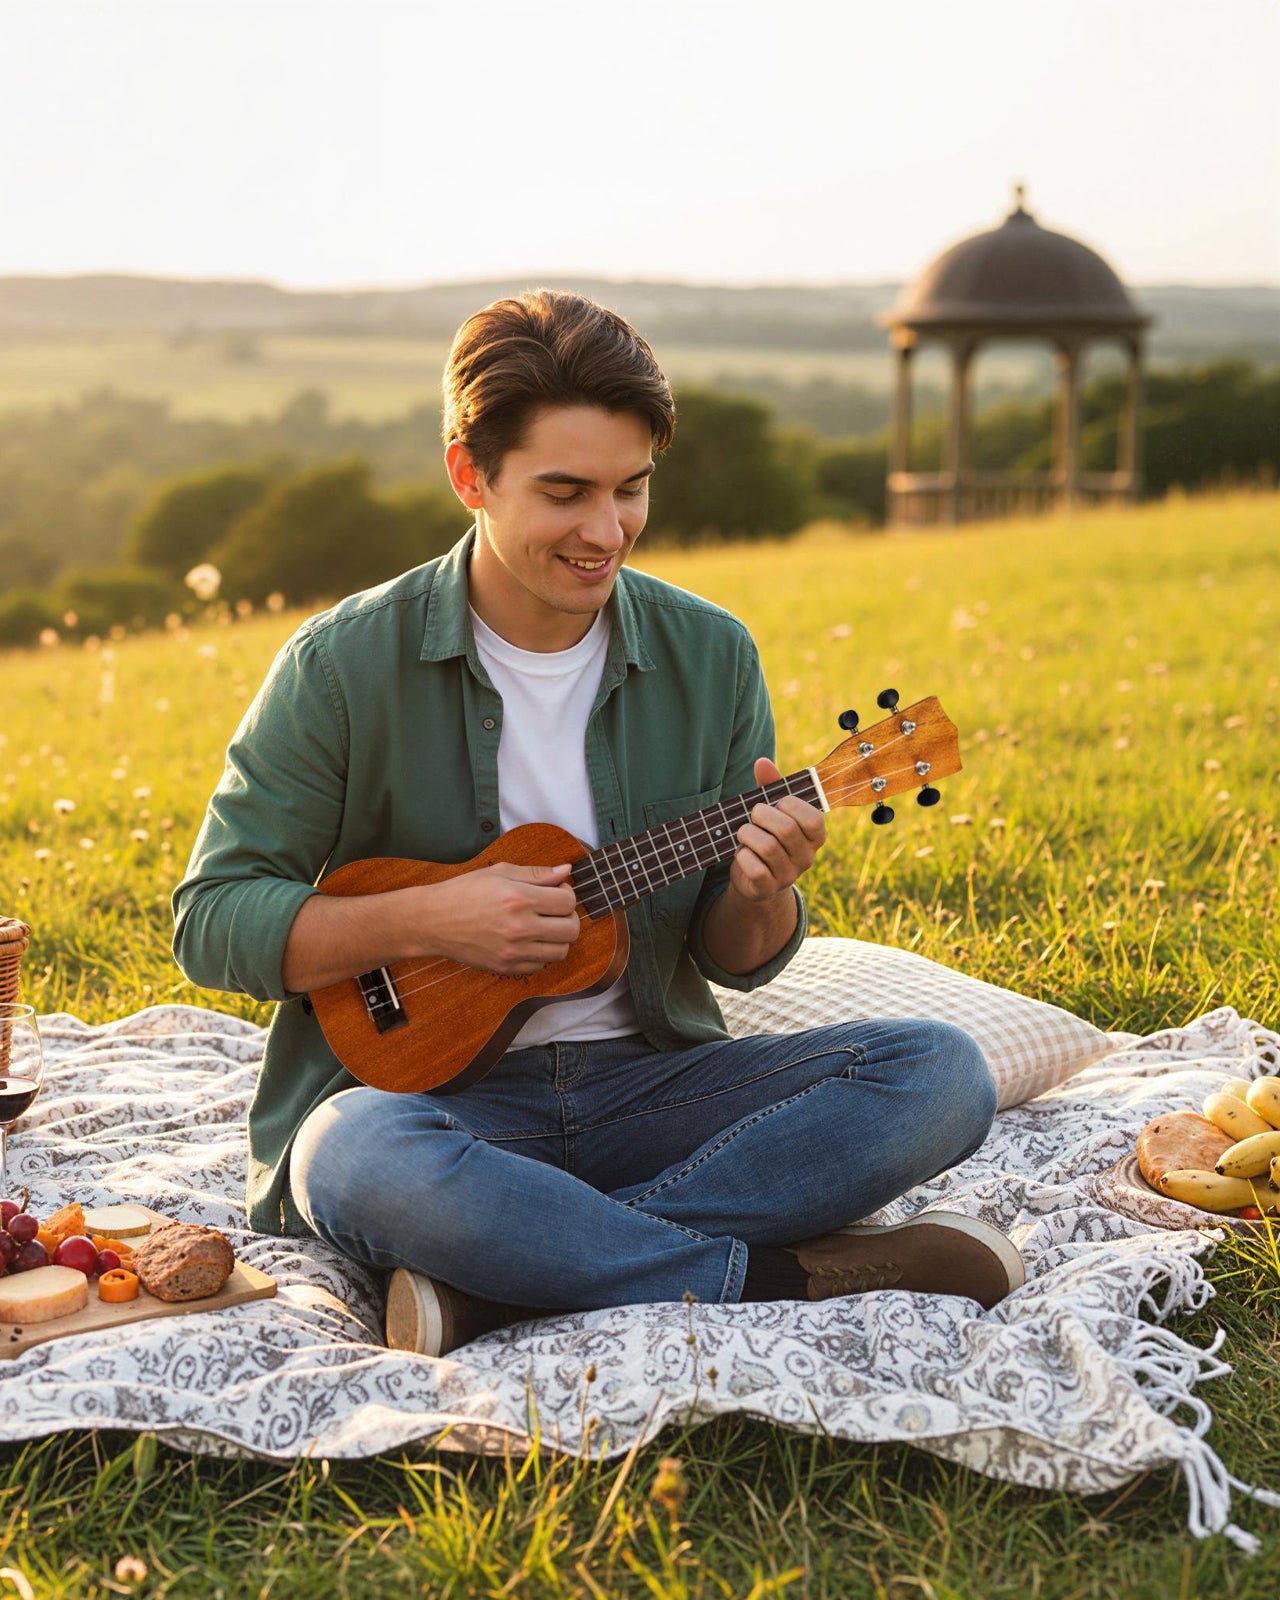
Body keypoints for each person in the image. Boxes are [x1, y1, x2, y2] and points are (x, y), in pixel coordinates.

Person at [173, 290, 1023, 1357]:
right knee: (344, 1153)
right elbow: (213, 917)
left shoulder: (709, 655)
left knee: (940, 1074)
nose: (604, 529)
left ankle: (513, 1278)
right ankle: (773, 1273)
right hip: (435, 1106)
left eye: (631, 490)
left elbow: (736, 959)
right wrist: (438, 918)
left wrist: (764, 893)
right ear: (468, 474)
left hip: (652, 1086)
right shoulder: (342, 665)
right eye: (565, 491)